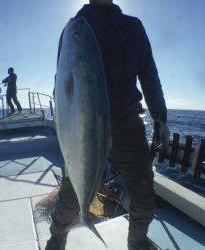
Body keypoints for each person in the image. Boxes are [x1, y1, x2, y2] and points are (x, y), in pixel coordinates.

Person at [46, 1, 169, 250]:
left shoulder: (133, 26)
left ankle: (137, 241)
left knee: (143, 190)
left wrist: (160, 117)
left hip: (127, 123)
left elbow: (149, 73)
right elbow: (62, 79)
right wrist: (67, 127)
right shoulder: (76, 27)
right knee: (73, 191)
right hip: (84, 126)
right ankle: (57, 238)